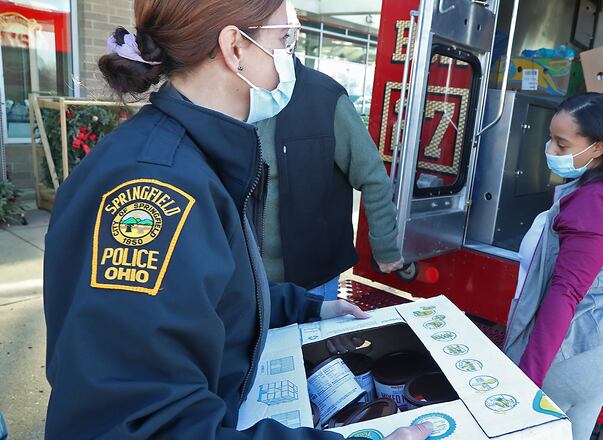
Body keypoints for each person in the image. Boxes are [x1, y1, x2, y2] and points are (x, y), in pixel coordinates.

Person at [42, 1, 430, 439]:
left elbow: (214, 296)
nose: (289, 61)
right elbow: (142, 426)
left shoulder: (200, 157)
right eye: (284, 39)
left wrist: (306, 307)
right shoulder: (155, 188)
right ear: (234, 48)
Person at [503, 93, 603, 440]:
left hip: (574, 349)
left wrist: (527, 380)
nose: (550, 150)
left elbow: (565, 293)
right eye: (551, 138)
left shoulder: (594, 205)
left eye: (562, 145)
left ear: (597, 148)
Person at [252, 5, 402, 300]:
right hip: (249, 277)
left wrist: (385, 247)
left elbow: (372, 177)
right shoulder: (237, 98)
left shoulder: (325, 98)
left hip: (312, 278)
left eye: (286, 34)